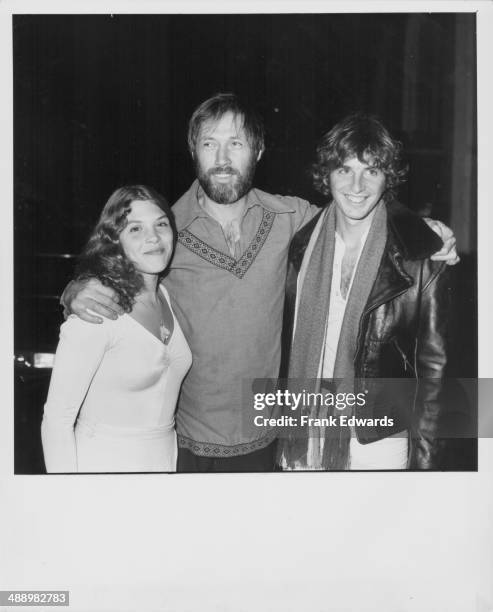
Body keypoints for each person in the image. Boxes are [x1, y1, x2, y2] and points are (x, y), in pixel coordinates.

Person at [62, 94, 458, 473]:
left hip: (273, 439)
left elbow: (357, 210)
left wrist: (423, 232)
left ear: (258, 151)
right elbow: (115, 268)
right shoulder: (166, 233)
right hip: (184, 443)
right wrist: (76, 289)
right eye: (209, 143)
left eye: (235, 143)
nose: (222, 158)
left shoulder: (293, 218)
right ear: (192, 150)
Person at [277, 113, 452, 471]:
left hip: (379, 437)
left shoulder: (421, 256)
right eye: (344, 169)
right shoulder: (302, 246)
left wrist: (426, 468)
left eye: (371, 170)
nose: (357, 185)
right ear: (326, 175)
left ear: (387, 177)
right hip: (306, 428)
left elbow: (435, 375)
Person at [42, 186, 192, 473]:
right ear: (114, 241)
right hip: (102, 470)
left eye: (161, 224)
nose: (154, 237)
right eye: (135, 229)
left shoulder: (166, 297)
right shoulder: (97, 310)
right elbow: (56, 422)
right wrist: (64, 499)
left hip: (165, 464)